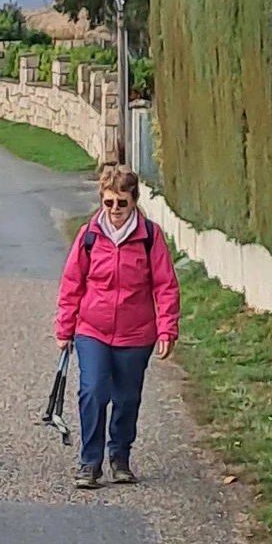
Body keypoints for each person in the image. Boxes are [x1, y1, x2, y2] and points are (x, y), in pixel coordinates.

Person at [55, 163, 179, 488]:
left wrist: (167, 328)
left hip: (136, 334)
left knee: (127, 398)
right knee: (93, 391)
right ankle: (89, 463)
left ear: (134, 200)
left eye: (121, 202)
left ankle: (120, 457)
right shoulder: (89, 236)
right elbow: (72, 283)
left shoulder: (150, 237)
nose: (114, 210)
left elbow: (165, 285)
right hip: (92, 330)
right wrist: (64, 329)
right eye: (108, 202)